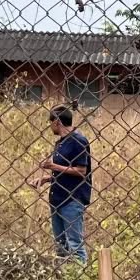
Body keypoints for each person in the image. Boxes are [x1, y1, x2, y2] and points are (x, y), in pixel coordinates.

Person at [33, 105, 91, 263]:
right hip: (57, 198)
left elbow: (81, 171)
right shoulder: (60, 143)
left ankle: (80, 271)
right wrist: (46, 179)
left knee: (74, 243)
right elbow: (64, 172)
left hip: (72, 199)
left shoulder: (78, 141)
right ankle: (64, 274)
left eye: (50, 122)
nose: (50, 126)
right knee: (60, 245)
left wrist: (53, 166)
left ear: (57, 122)